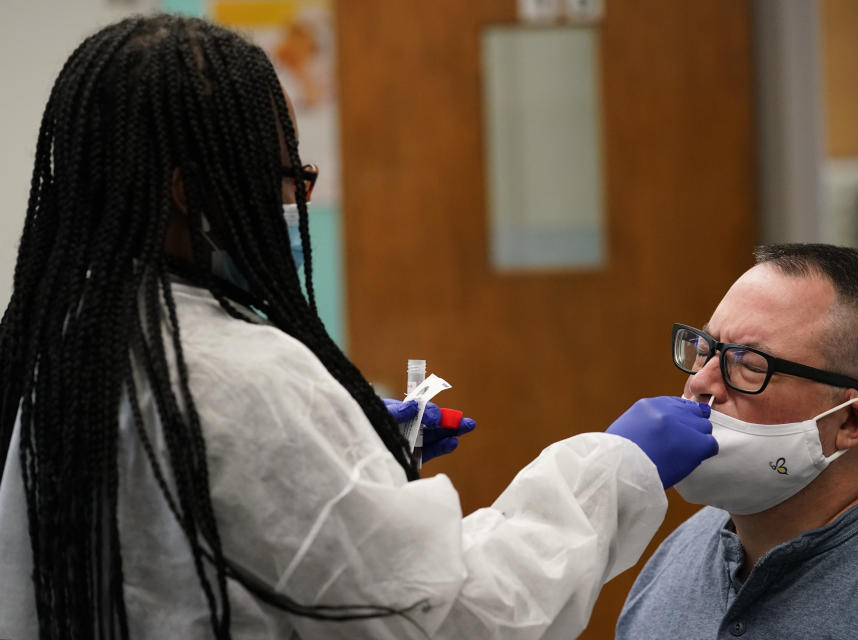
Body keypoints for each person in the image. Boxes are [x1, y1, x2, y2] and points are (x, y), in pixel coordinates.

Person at [0, 14, 719, 640]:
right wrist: (612, 469)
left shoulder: (56, 347)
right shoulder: (246, 380)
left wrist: (348, 460)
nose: (296, 200)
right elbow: (450, 621)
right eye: (290, 178)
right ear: (192, 192)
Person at [616, 244, 858, 640]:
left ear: (848, 422)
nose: (700, 383)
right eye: (706, 350)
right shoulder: (677, 556)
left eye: (748, 363)